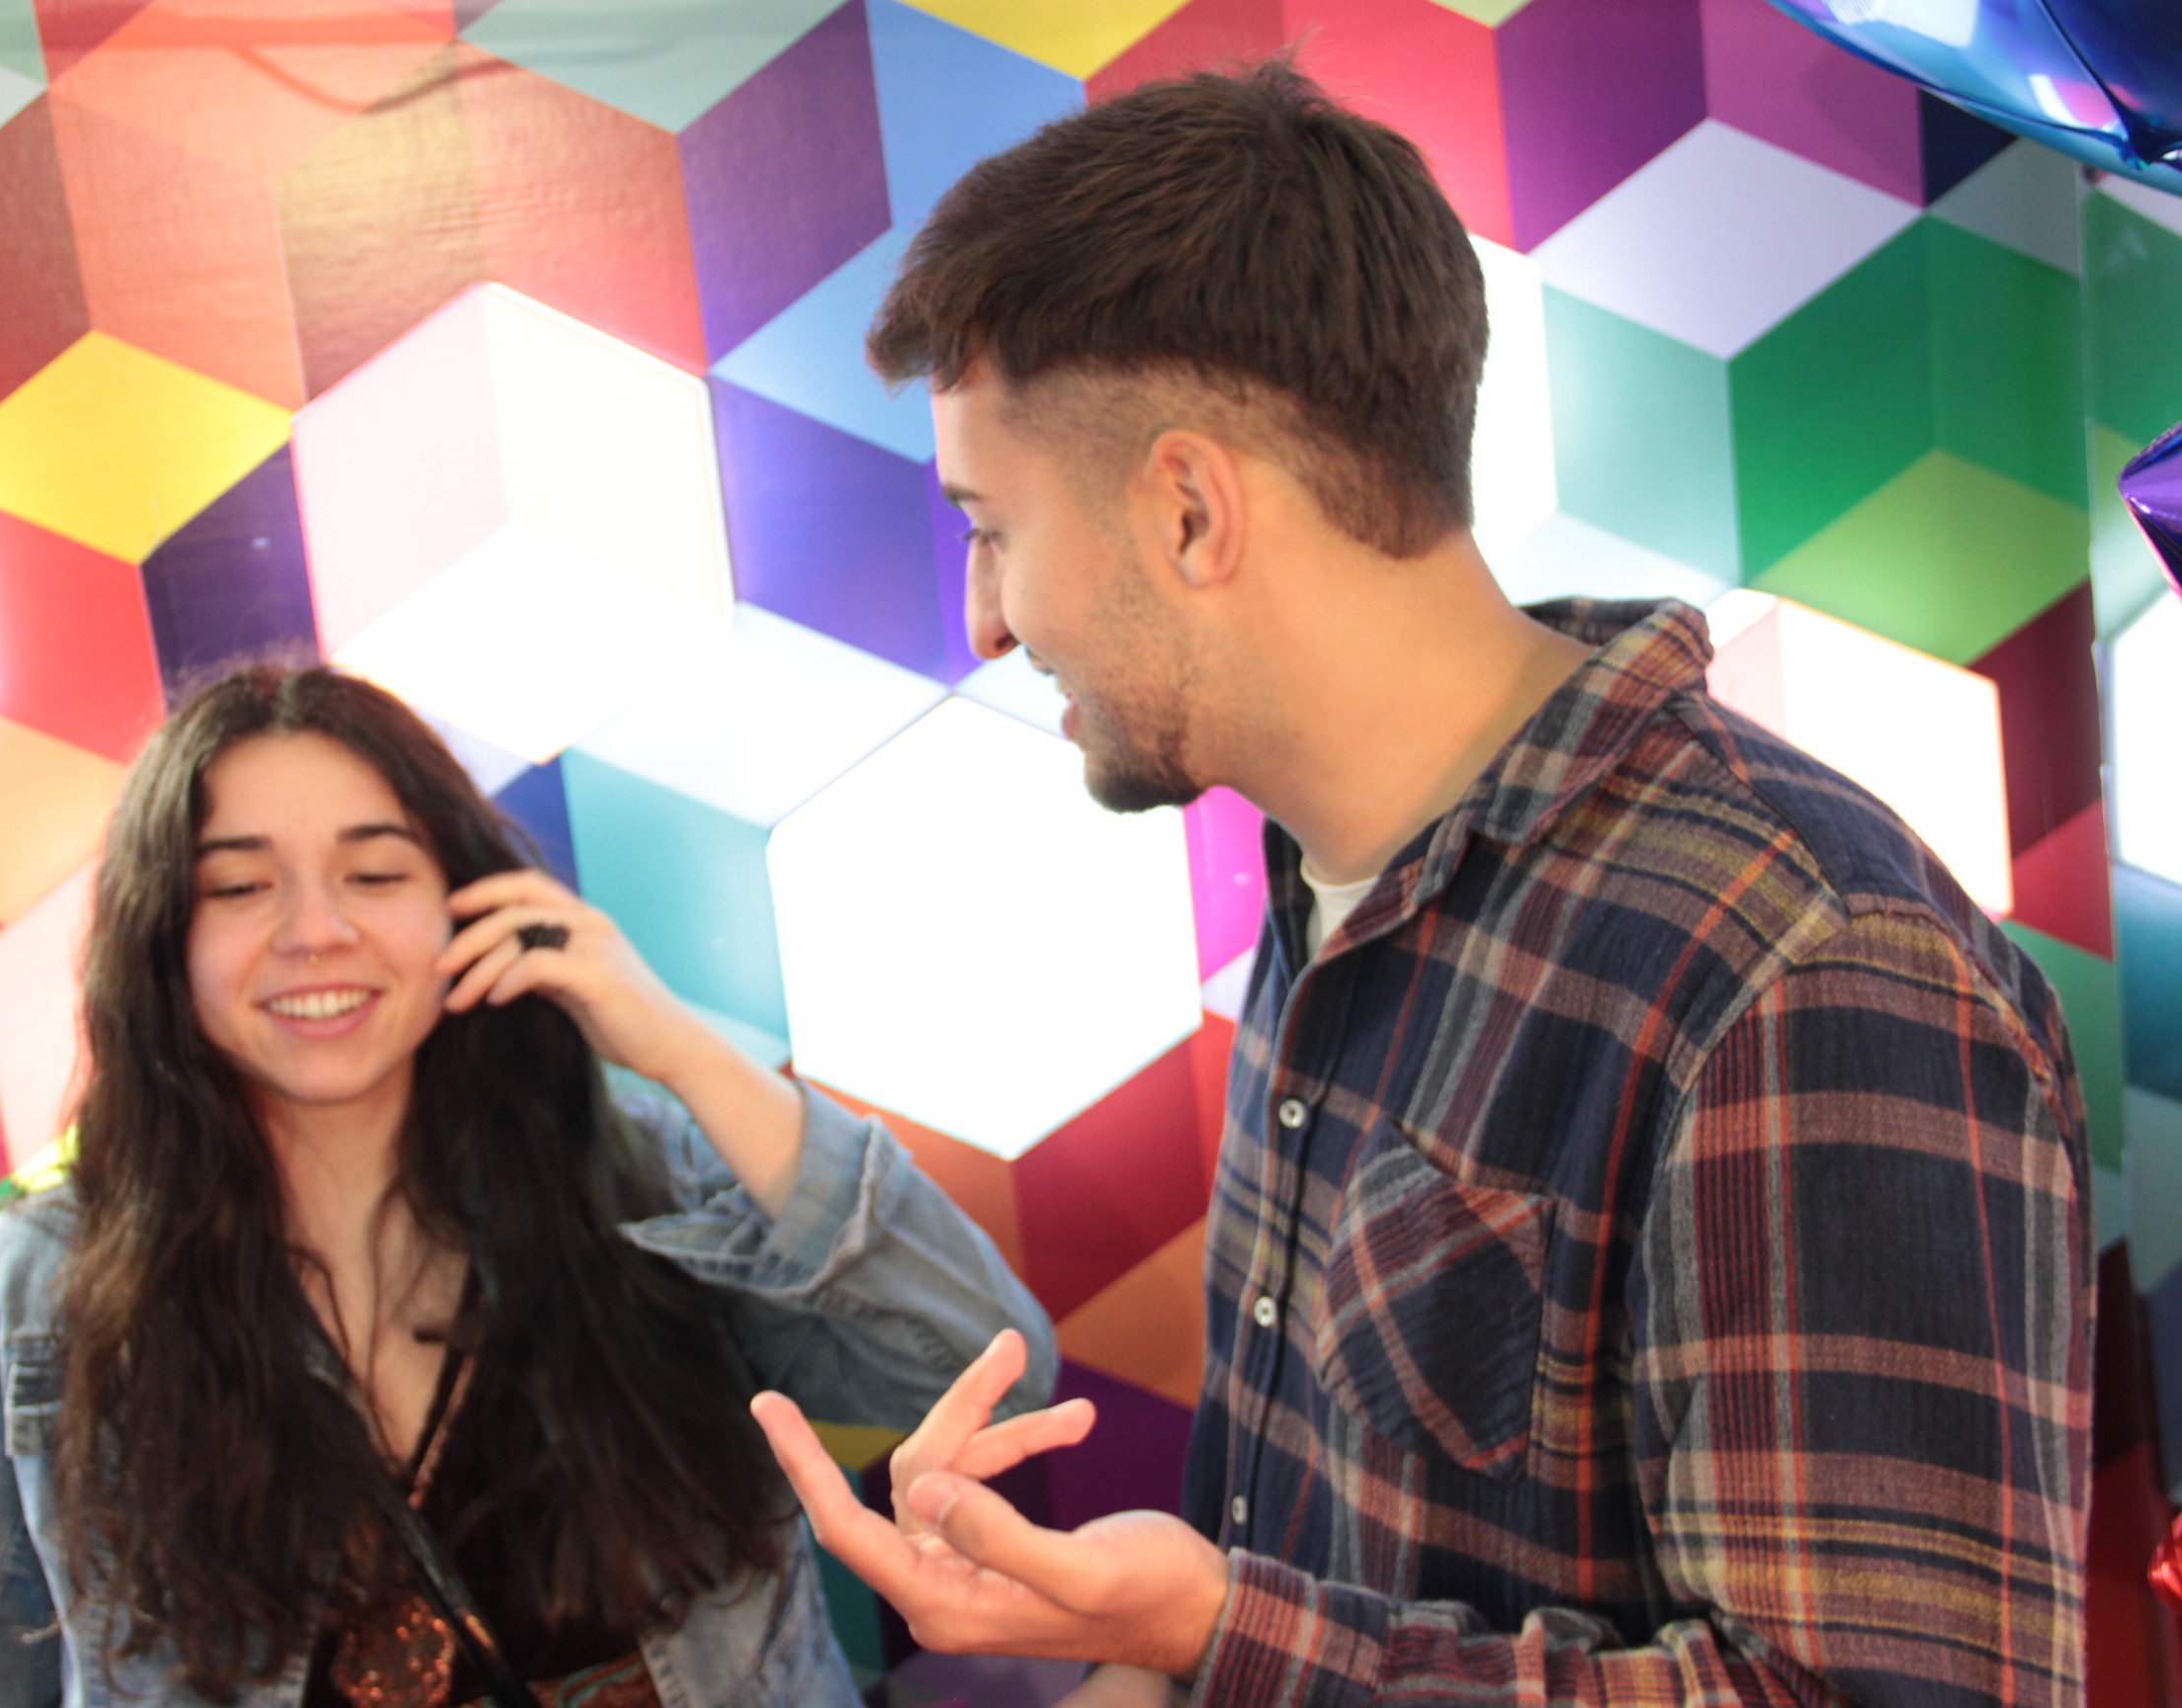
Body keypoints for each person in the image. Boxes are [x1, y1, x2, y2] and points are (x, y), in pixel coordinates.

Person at [750, 58, 2092, 1707]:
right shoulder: (1327, 885)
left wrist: (1211, 1632)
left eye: (990, 526)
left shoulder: (1808, 967)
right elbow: (1300, 1557)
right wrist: (1153, 1658)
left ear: (1189, 509)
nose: (982, 619)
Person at [0, 664, 1075, 1708]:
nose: (316, 931)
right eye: (240, 888)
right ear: (162, 936)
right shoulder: (28, 1296)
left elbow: (982, 1370)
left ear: (467, 900)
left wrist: (677, 1048)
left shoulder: (646, 1183)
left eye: (374, 873)